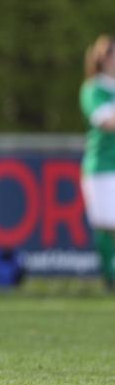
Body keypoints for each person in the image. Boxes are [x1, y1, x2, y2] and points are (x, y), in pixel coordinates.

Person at [81, 35, 115, 290]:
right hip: (102, 166)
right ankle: (109, 277)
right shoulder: (94, 88)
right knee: (106, 224)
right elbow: (106, 122)